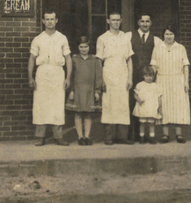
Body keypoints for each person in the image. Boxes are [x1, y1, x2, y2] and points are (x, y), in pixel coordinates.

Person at [28, 11, 72, 146]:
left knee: (57, 105)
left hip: (58, 73)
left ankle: (58, 137)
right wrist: (30, 77)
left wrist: (68, 78)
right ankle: (40, 137)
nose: (50, 22)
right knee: (40, 104)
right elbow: (32, 59)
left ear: (56, 20)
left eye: (52, 19)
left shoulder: (62, 38)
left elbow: (68, 58)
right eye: (47, 19)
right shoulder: (38, 39)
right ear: (43, 21)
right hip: (42, 73)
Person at [96, 11, 134, 145]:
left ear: (121, 21)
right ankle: (108, 137)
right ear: (108, 21)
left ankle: (122, 136)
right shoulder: (102, 38)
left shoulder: (125, 37)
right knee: (109, 104)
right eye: (113, 20)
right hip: (109, 73)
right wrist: (101, 80)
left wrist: (130, 78)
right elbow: (98, 61)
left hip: (122, 73)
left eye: (118, 20)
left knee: (122, 104)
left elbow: (129, 59)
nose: (115, 22)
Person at [151, 27, 191, 143]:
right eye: (166, 34)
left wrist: (186, 82)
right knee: (164, 106)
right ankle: (165, 134)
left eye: (171, 33)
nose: (169, 36)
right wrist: (152, 83)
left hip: (177, 79)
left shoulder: (180, 48)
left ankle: (179, 134)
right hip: (162, 80)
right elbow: (154, 66)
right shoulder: (157, 48)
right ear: (163, 35)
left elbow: (185, 66)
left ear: (175, 35)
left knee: (178, 106)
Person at [129, 14, 161, 141]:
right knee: (134, 102)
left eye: (147, 21)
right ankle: (133, 135)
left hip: (147, 75)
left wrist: (152, 75)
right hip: (133, 73)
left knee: (148, 103)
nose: (145, 24)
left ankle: (147, 135)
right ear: (138, 22)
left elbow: (157, 58)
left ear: (151, 23)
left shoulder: (156, 39)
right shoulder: (129, 36)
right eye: (142, 21)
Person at [67, 36, 102, 146]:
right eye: (81, 47)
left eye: (85, 47)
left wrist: (97, 91)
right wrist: (71, 90)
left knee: (88, 114)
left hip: (89, 90)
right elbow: (71, 75)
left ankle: (87, 136)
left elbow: (98, 76)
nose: (83, 49)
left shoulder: (94, 59)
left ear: (89, 47)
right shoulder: (74, 59)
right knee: (78, 113)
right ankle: (80, 137)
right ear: (78, 47)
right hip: (77, 90)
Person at [132, 66, 163, 143]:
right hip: (143, 106)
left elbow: (159, 96)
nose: (149, 78)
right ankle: (142, 137)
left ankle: (152, 137)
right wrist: (139, 100)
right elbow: (135, 94)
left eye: (151, 76)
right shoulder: (140, 85)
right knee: (142, 123)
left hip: (151, 107)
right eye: (147, 76)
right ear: (143, 76)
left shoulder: (155, 85)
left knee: (151, 123)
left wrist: (159, 106)